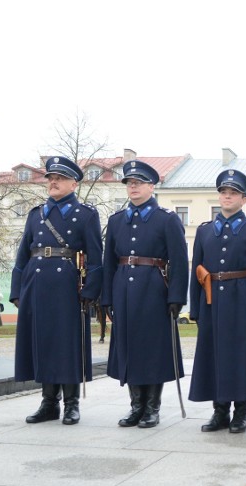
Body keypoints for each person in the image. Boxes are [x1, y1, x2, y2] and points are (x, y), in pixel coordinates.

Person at [10, 156, 103, 425]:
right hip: (36, 285)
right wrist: (17, 290)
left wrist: (90, 292)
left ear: (73, 183)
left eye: (59, 178)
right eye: (51, 178)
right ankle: (49, 403)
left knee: (68, 345)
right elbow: (22, 255)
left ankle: (72, 404)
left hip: (68, 289)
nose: (53, 182)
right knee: (43, 343)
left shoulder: (86, 215)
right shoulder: (36, 214)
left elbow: (96, 257)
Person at [102, 160, 189, 429]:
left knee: (152, 350)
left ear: (151, 186)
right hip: (123, 290)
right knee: (128, 348)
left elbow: (179, 260)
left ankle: (152, 407)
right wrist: (106, 297)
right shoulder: (116, 221)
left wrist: (176, 297)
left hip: (154, 289)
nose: (133, 187)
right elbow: (108, 262)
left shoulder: (167, 219)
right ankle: (136, 406)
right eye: (129, 183)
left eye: (138, 183)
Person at [188, 169, 246, 433]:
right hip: (212, 301)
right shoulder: (204, 231)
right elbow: (197, 271)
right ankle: (219, 411)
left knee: (241, 357)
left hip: (242, 300)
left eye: (233, 193)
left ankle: (241, 412)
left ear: (244, 199)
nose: (227, 197)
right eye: (224, 192)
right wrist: (195, 307)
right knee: (214, 356)